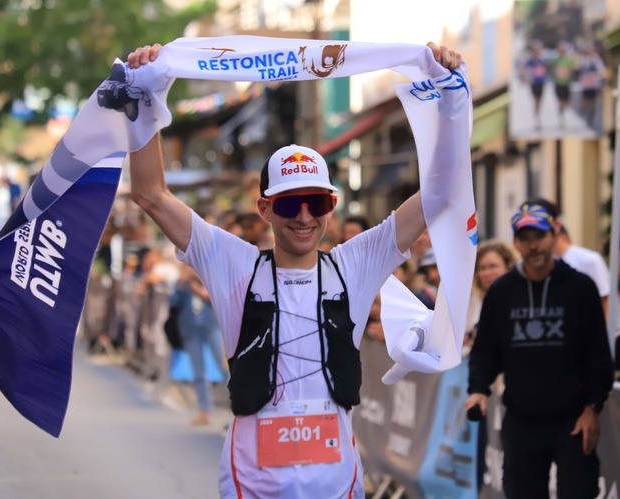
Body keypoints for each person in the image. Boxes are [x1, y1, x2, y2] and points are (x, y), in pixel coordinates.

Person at [128, 40, 463, 499]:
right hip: (254, 481)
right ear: (265, 209)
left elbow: (441, 193)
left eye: (316, 202)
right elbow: (149, 194)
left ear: (332, 206)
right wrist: (145, 95)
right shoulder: (232, 263)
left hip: (336, 481)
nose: (304, 217)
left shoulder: (354, 264)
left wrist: (450, 98)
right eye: (289, 204)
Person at [465, 203, 614, 499]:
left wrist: (592, 408)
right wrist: (478, 389)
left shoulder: (580, 288)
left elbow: (598, 354)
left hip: (573, 420)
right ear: (516, 243)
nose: (533, 245)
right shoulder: (501, 292)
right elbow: (486, 351)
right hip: (521, 420)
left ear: (554, 236)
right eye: (525, 238)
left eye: (539, 236)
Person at [171, 263, 228, 425]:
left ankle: (232, 406)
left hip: (212, 327)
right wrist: (180, 284)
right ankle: (204, 410)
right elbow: (173, 303)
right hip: (191, 330)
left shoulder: (210, 281)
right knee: (198, 371)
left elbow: (222, 300)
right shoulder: (182, 284)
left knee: (224, 367)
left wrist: (201, 290)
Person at [465, 240, 517, 353]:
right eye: (482, 268)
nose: (487, 273)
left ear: (509, 266)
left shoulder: (519, 298)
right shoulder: (471, 301)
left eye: (493, 266)